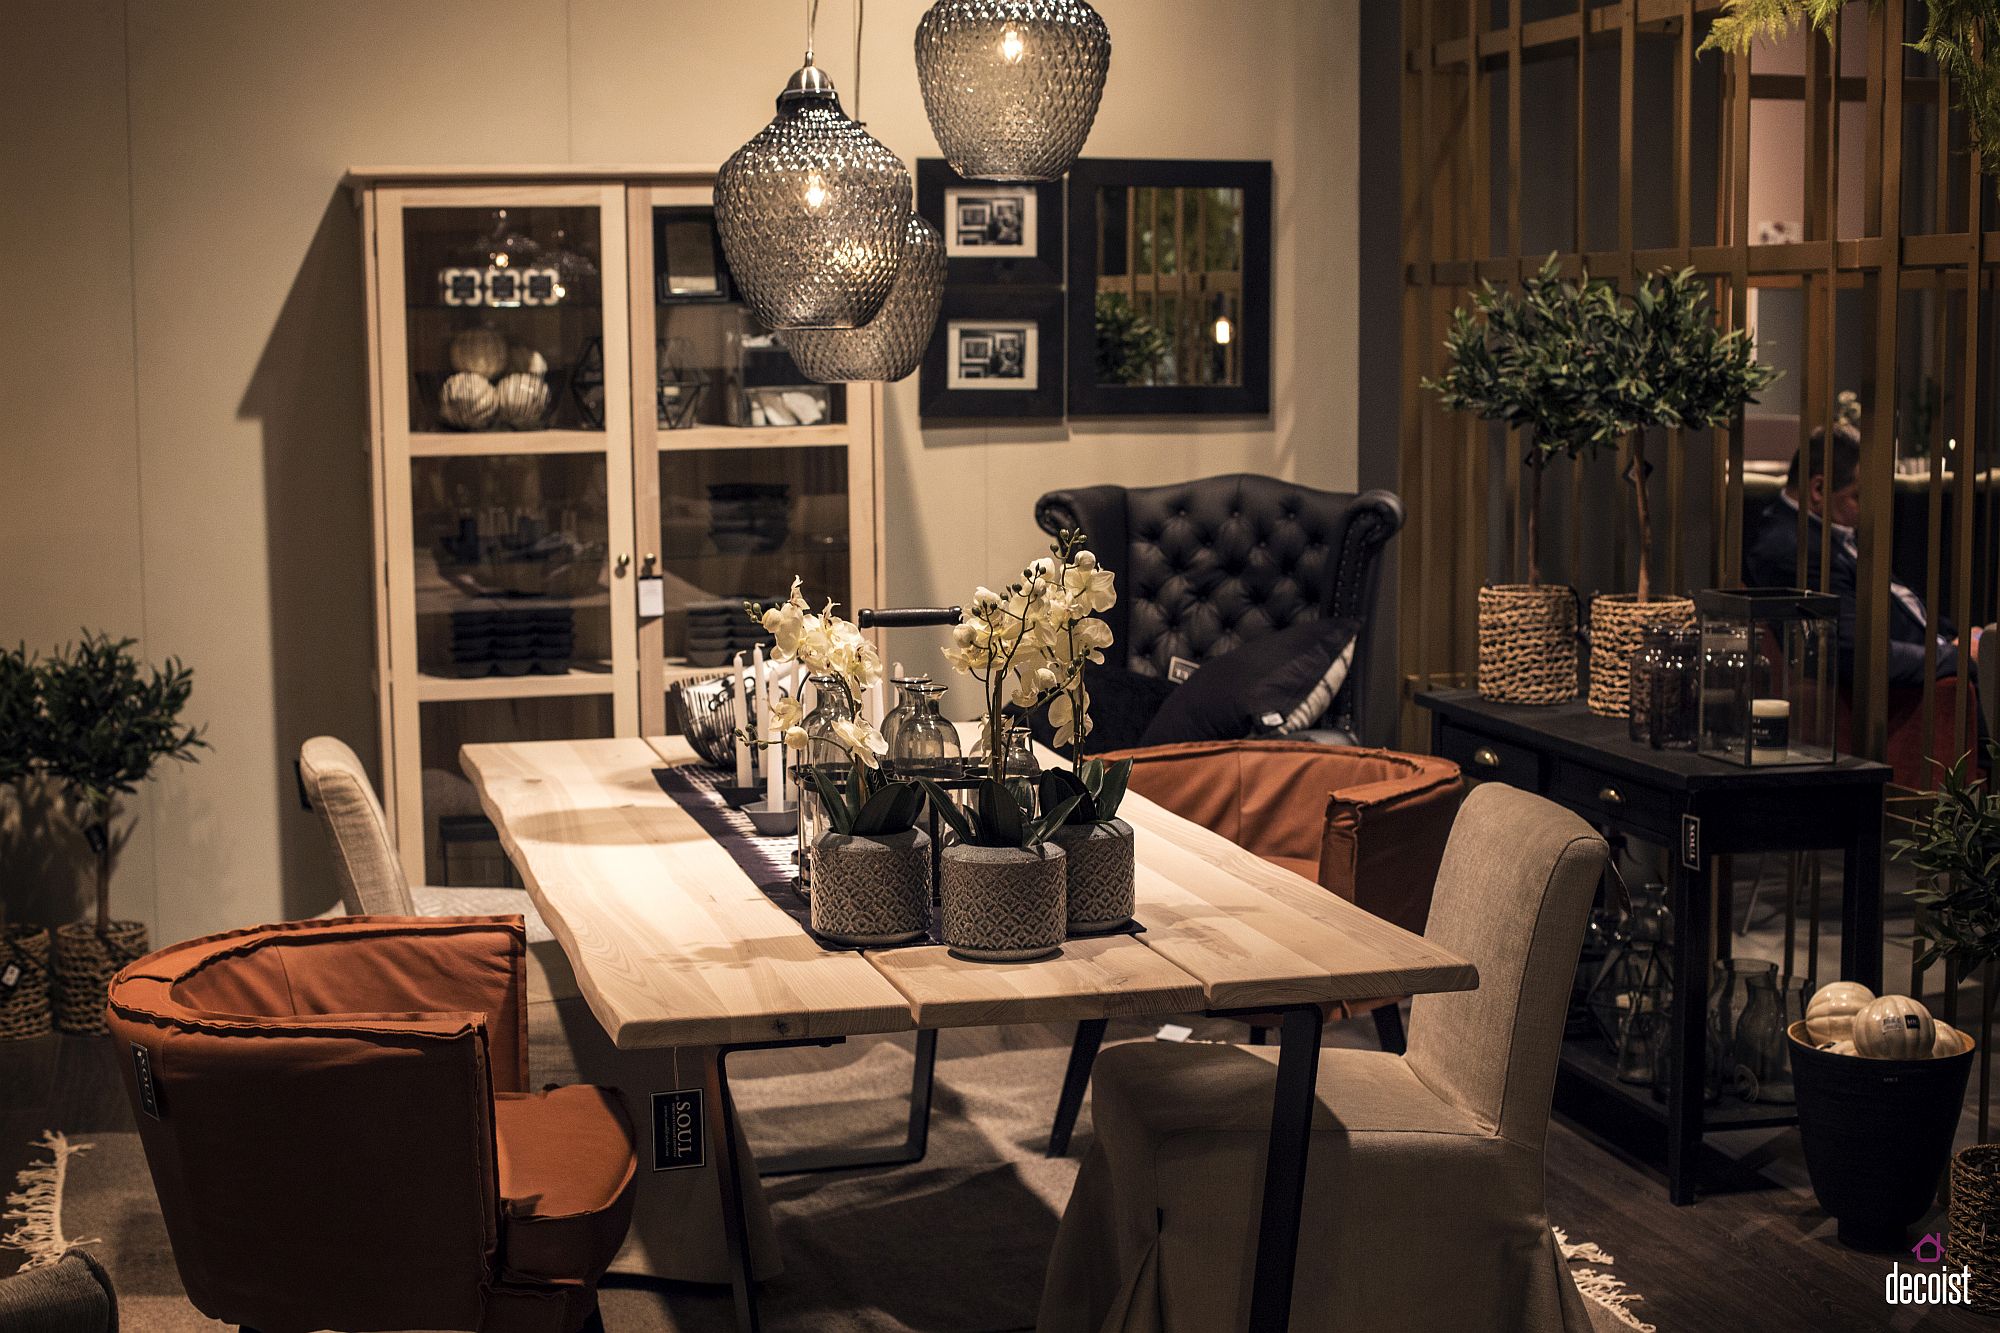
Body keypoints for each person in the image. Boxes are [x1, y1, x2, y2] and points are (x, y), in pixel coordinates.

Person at [1742, 422, 1958, 688]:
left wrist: (1955, 639)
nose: (1869, 510)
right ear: (1818, 490)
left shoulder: (1828, 535)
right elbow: (1855, 654)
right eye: (1859, 496)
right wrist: (1955, 657)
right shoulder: (1796, 549)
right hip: (1917, 690)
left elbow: (1904, 605)